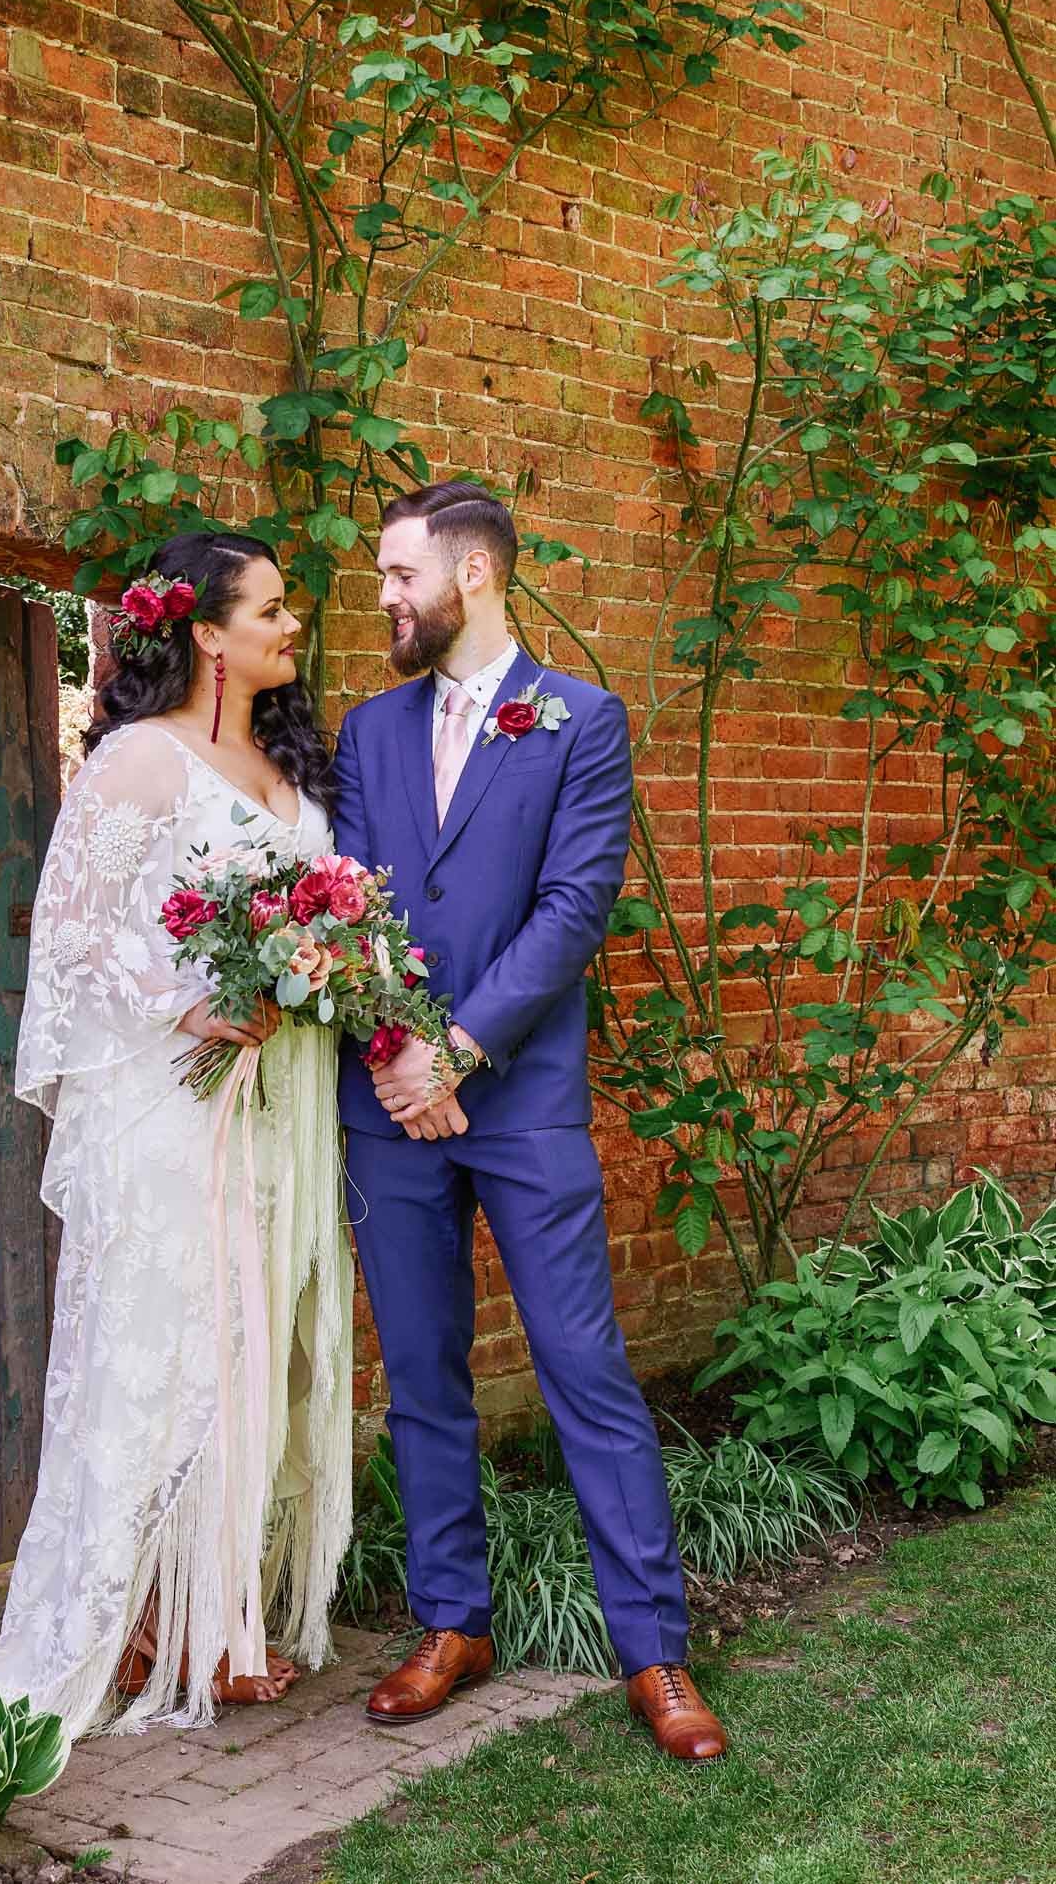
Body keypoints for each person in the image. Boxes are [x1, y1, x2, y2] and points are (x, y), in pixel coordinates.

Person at [332, 481, 729, 1763]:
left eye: (400, 575)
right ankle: (453, 1623)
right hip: (391, 1103)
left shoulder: (580, 722)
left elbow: (571, 911)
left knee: (583, 1367)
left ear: (475, 575)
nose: (385, 597)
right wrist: (400, 1058)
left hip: (524, 1102)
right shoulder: (367, 731)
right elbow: (346, 907)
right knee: (424, 1374)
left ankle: (653, 1650)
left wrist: (457, 1049)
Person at [0, 532, 353, 1740]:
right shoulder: (142, 762)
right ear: (207, 632)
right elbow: (73, 934)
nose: (290, 629)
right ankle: (133, 1620)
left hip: (275, 1111)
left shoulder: (287, 768)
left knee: (252, 1354)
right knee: (166, 1356)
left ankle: (213, 1617)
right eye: (272, 611)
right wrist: (188, 1000)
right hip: (172, 1102)